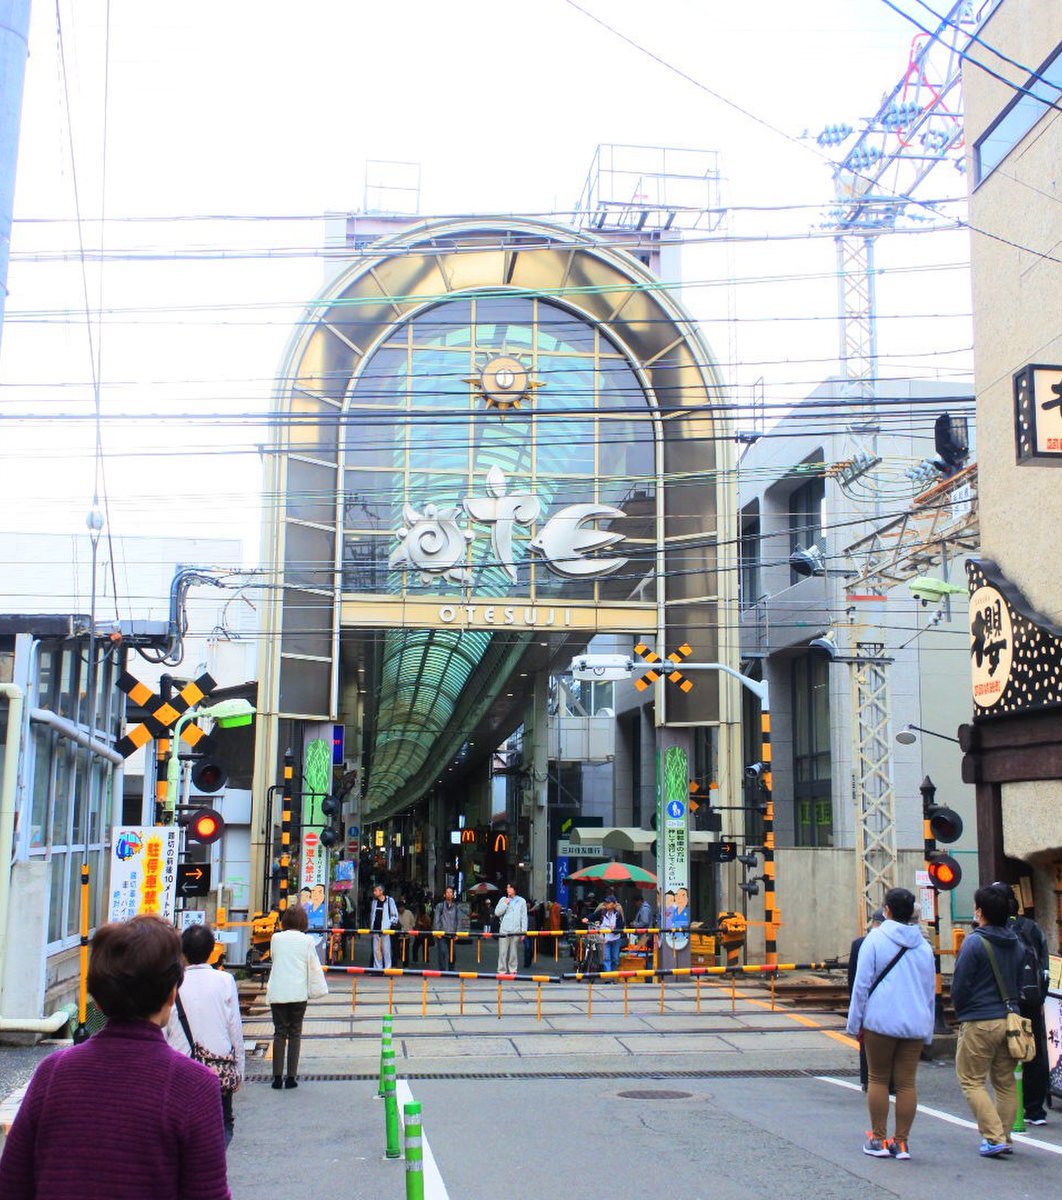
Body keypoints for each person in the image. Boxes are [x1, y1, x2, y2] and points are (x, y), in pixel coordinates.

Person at [0, 914, 230, 1200]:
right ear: (172, 993)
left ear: (97, 999)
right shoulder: (195, 1086)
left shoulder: (52, 1072)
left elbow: (12, 1185)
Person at [846, 889, 935, 1159]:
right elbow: (929, 990)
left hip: (880, 1021)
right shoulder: (923, 946)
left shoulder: (875, 940)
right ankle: (902, 1143)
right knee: (907, 1083)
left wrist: (854, 1023)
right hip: (914, 1022)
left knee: (878, 1078)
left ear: (886, 910)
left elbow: (861, 985)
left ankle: (879, 1140)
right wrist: (928, 1029)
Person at [951, 882, 1025, 1156]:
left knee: (971, 1080)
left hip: (979, 1020)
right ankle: (1003, 1135)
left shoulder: (974, 942)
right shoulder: (1015, 943)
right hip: (1010, 1020)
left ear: (980, 912)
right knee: (1004, 1081)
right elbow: (1018, 983)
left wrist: (962, 1010)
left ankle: (994, 1137)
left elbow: (960, 986)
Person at [165, 923, 245, 1145]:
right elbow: (235, 1028)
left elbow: (163, 1029)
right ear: (212, 951)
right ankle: (210, 1162)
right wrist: (239, 1070)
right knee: (223, 1124)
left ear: (182, 952)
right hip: (218, 1068)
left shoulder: (173, 983)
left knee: (182, 1126)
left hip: (179, 1067)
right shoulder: (225, 981)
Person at [994, 881, 1050, 1125]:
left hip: (1003, 1001)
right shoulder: (1032, 928)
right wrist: (1040, 997)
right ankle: (1035, 1110)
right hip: (1031, 1000)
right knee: (1032, 1050)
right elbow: (1045, 969)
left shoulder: (993, 930)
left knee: (1004, 1055)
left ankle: (1008, 1110)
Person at [266, 903, 328, 1090]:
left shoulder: (275, 938)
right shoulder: (307, 941)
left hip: (278, 992)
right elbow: (312, 965)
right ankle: (291, 1077)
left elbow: (274, 959)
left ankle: (277, 1078)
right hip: (298, 993)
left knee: (279, 1033)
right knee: (295, 1033)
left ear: (285, 920)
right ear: (303, 921)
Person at [847, 908, 885, 1092]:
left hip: (868, 1003)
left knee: (866, 1044)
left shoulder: (859, 943)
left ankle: (866, 1079)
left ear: (873, 923)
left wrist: (854, 1009)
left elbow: (854, 979)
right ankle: (890, 1081)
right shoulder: (901, 944)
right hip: (890, 1004)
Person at [494, 882, 528, 974]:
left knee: (513, 952)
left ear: (515, 889)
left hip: (516, 930)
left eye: (510, 888)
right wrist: (505, 904)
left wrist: (523, 931)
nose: (508, 889)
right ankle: (501, 970)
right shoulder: (503, 899)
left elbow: (524, 917)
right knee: (502, 952)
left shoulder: (521, 901)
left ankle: (513, 969)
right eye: (507, 888)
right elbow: (497, 913)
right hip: (504, 930)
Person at [370, 883, 399, 969]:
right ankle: (377, 969)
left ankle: (387, 969)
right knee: (376, 951)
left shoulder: (390, 901)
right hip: (375, 930)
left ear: (381, 891)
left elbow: (395, 915)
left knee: (386, 951)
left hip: (385, 931)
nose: (374, 892)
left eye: (376, 890)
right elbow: (372, 915)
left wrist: (388, 924)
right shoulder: (374, 902)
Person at [433, 886, 459, 970]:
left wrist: (457, 932)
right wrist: (437, 931)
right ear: (444, 894)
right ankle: (442, 970)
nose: (449, 894)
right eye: (447, 892)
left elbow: (457, 920)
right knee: (442, 952)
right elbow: (436, 919)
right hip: (442, 933)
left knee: (453, 954)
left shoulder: (456, 907)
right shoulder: (440, 906)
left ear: (453, 895)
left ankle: (451, 969)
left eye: (450, 892)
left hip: (452, 933)